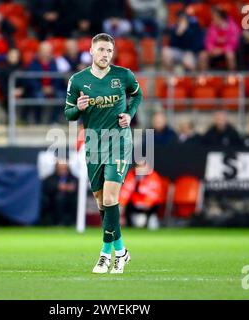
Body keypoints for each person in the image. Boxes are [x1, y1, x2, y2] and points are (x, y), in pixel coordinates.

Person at [64, 33, 143, 274]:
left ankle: (108, 255)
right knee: (100, 201)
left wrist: (130, 114)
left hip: (119, 141)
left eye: (109, 50)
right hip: (94, 143)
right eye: (101, 50)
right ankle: (121, 248)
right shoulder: (78, 80)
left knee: (110, 198)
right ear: (91, 51)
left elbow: (137, 94)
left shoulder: (123, 75)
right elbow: (68, 114)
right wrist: (78, 108)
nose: (105, 54)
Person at [26, 41, 65, 124]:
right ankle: (38, 120)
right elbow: (31, 79)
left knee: (61, 96)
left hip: (52, 89)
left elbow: (58, 78)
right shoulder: (34, 63)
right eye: (44, 50)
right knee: (38, 97)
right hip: (38, 89)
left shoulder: (55, 62)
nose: (46, 52)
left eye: (48, 50)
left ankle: (53, 120)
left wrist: (52, 88)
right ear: (39, 51)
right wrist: (41, 88)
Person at [119, 160, 163, 228]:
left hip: (149, 205)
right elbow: (125, 192)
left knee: (151, 217)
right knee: (126, 209)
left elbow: (154, 194)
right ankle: (129, 227)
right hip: (135, 203)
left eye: (142, 166)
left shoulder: (153, 176)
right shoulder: (132, 175)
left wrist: (146, 203)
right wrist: (121, 204)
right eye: (138, 166)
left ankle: (149, 224)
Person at [41, 160, 78, 226]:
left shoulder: (74, 178)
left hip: (70, 198)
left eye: (64, 168)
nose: (63, 170)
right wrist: (58, 187)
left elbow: (76, 188)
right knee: (59, 198)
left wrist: (69, 188)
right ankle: (59, 222)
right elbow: (47, 189)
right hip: (54, 199)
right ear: (56, 168)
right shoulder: (50, 178)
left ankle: (73, 222)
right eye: (61, 168)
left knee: (75, 201)